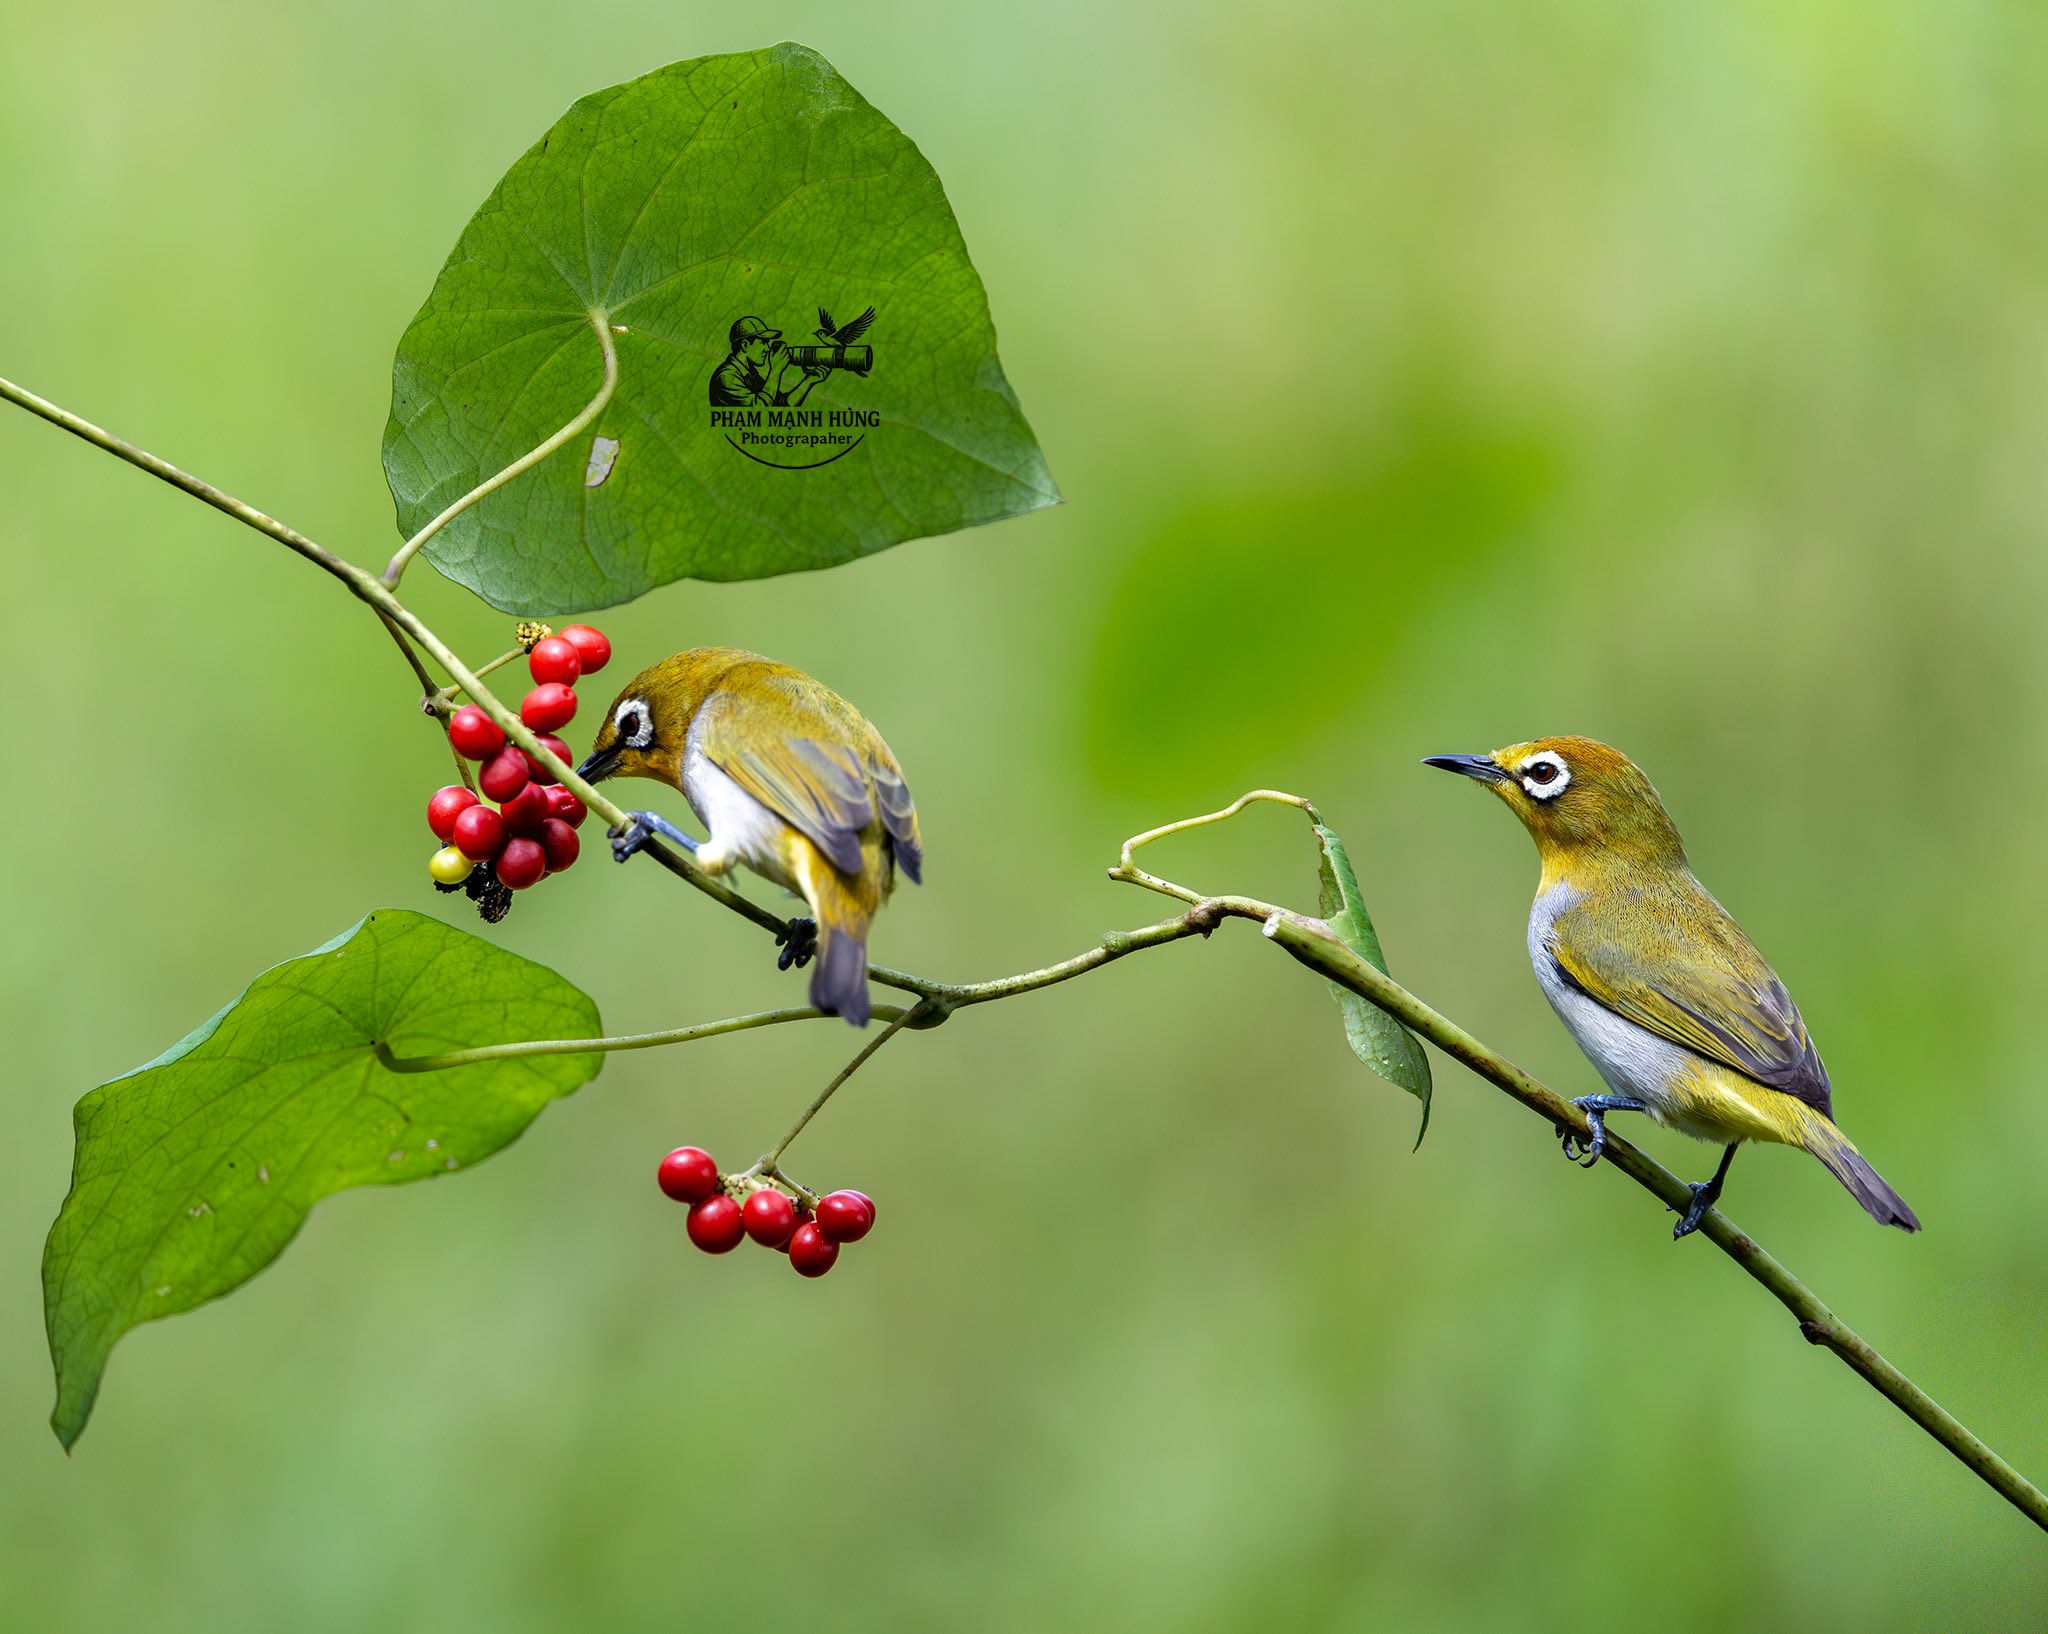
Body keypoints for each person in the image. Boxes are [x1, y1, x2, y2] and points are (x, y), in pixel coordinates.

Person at [708, 316, 828, 407]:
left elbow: (782, 405)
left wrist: (808, 381)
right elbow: (760, 412)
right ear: (745, 345)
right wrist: (775, 370)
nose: (768, 349)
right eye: (763, 342)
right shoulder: (727, 376)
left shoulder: (751, 374)